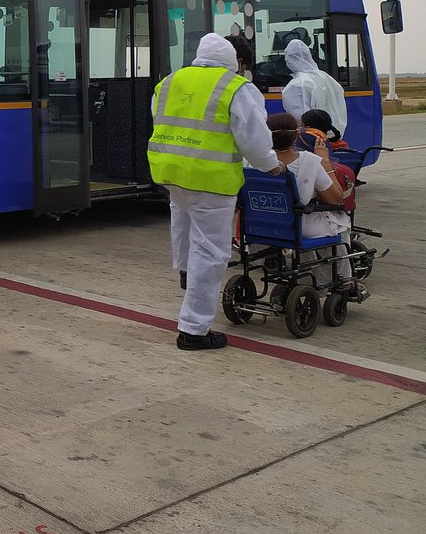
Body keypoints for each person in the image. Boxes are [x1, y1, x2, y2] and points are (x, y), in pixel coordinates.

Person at [149, 33, 284, 351]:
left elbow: (162, 120)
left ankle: (186, 272)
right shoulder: (235, 87)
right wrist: (271, 166)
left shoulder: (170, 81)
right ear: (235, 61)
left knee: (184, 230)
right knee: (210, 253)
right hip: (211, 181)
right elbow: (253, 137)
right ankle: (194, 330)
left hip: (171, 173)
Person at [267, 112, 355, 288]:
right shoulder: (310, 162)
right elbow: (336, 199)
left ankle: (308, 277)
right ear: (295, 137)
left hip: (265, 225)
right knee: (340, 228)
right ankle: (345, 281)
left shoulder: (251, 162)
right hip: (300, 225)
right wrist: (325, 163)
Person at [282, 38, 347, 137]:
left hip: (313, 138)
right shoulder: (327, 78)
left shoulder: (296, 84)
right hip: (334, 135)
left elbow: (299, 118)